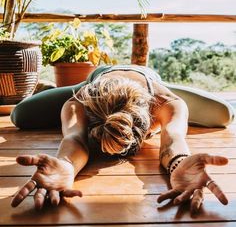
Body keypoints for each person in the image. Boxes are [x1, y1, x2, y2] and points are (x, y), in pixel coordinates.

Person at [10, 64, 235, 212]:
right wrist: (66, 165)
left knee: (224, 114)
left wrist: (178, 162)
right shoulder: (77, 101)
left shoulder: (165, 101)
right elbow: (74, 137)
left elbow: (172, 136)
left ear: (151, 118)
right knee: (19, 115)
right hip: (100, 75)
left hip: (149, 79)